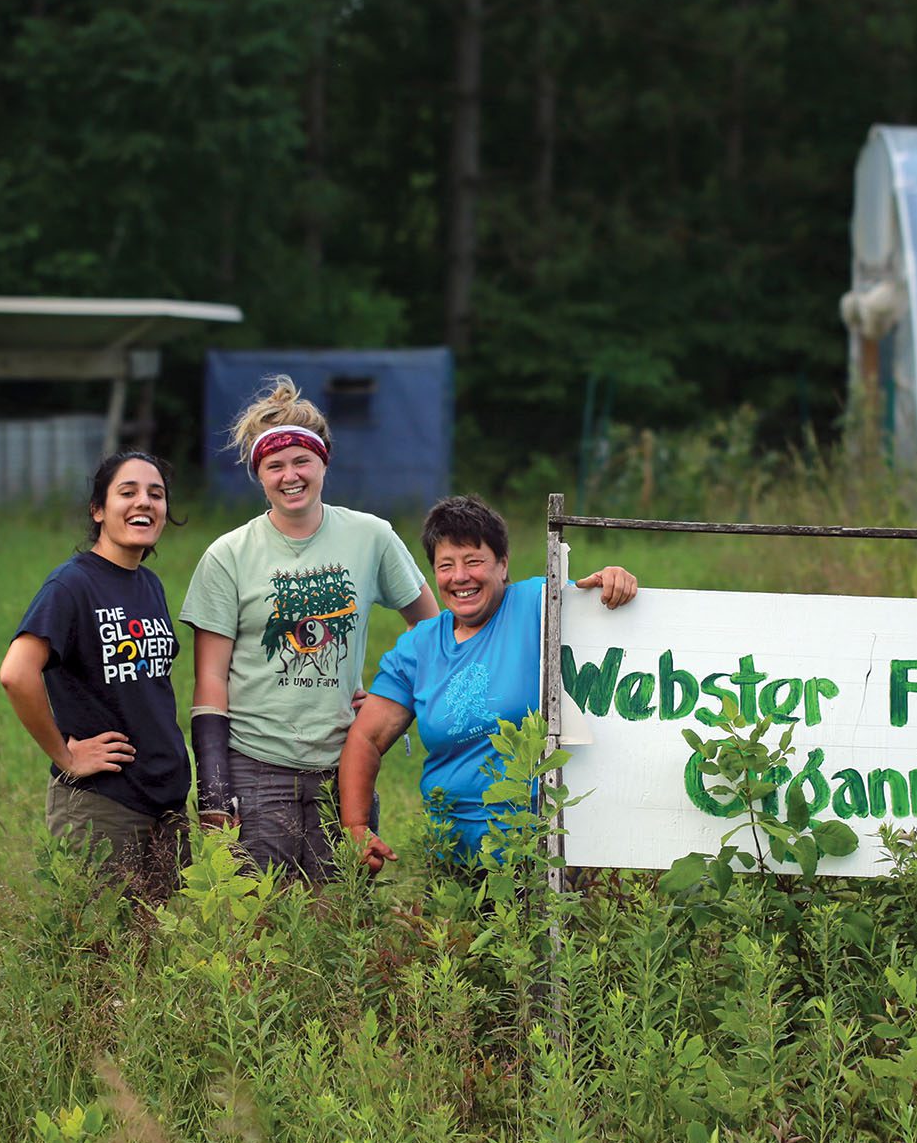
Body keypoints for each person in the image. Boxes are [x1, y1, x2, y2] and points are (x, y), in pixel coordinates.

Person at [181, 377, 439, 880]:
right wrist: (213, 788)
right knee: (258, 926)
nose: (290, 475)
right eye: (274, 465)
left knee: (341, 920)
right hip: (255, 764)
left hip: (344, 763)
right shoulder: (228, 555)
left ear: (324, 463)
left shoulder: (371, 537)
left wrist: (393, 695)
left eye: (302, 461)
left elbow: (433, 628)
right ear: (259, 474)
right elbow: (210, 680)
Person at [338, 494, 637, 872]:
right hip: (449, 849)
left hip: (539, 844)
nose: (460, 577)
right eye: (446, 565)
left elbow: (596, 597)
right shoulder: (419, 645)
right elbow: (366, 737)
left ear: (502, 565)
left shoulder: (536, 605)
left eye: (474, 561)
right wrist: (357, 826)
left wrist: (615, 577)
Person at [0, 451, 191, 900]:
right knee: (101, 953)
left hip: (164, 800)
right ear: (98, 510)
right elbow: (16, 673)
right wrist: (66, 757)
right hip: (104, 803)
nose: (144, 502)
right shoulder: (72, 584)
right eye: (128, 492)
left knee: (157, 953)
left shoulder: (149, 585)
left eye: (156, 494)